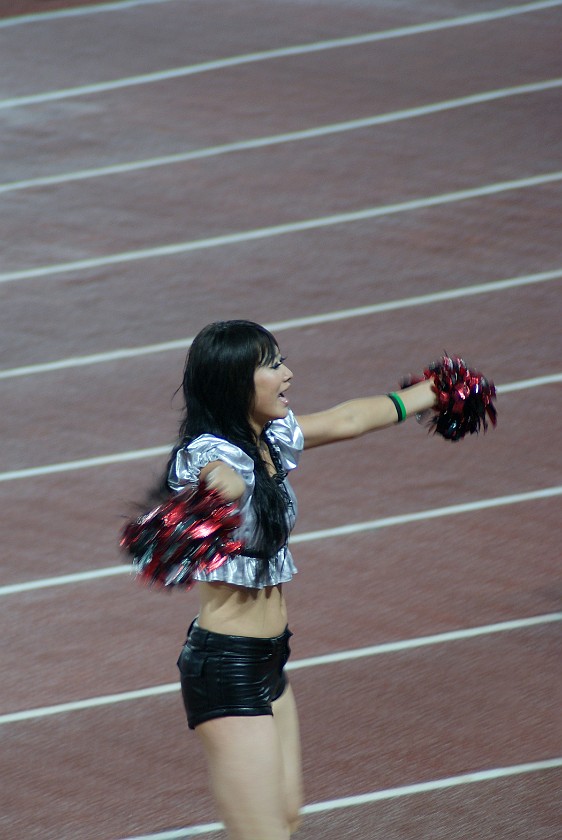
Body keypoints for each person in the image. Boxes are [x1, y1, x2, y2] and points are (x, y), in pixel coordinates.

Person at [156, 320, 437, 840]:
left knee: (285, 816)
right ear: (235, 382)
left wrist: (431, 392)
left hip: (269, 660)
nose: (288, 374)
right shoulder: (207, 453)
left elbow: (349, 418)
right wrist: (223, 490)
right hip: (226, 666)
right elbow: (220, 477)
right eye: (272, 365)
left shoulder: (270, 437)